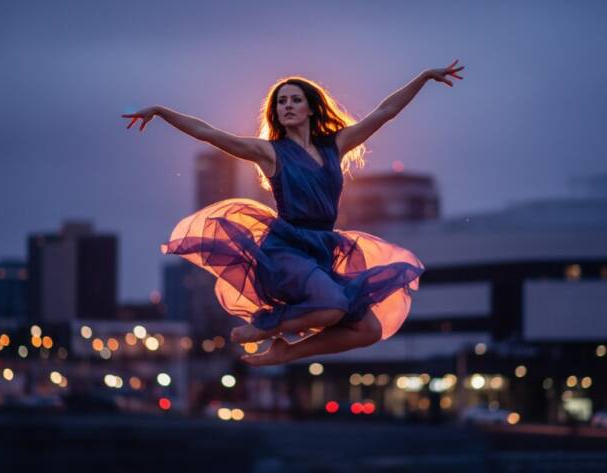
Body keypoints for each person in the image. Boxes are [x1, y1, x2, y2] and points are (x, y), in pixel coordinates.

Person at [122, 61, 464, 366]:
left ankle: (288, 351)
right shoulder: (270, 152)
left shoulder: (335, 146)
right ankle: (265, 325)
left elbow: (385, 111)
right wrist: (162, 112)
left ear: (311, 108)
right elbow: (208, 133)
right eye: (281, 101)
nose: (287, 105)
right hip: (286, 248)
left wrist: (422, 77)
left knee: (368, 330)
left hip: (323, 247)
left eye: (295, 99)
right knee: (332, 309)